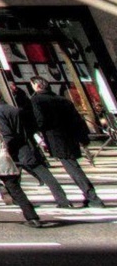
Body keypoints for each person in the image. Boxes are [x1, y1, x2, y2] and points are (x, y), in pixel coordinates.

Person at [0, 87, 70, 209]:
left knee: (13, 178)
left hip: (14, 149)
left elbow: (6, 133)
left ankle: (16, 200)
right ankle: (62, 200)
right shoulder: (14, 109)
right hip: (26, 146)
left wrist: (4, 148)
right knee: (44, 175)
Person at [30, 78, 104, 208]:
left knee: (73, 168)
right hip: (70, 136)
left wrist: (38, 131)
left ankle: (93, 197)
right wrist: (83, 138)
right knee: (74, 166)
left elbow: (40, 120)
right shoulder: (63, 100)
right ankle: (89, 196)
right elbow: (77, 119)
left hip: (55, 137)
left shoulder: (37, 100)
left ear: (37, 86)